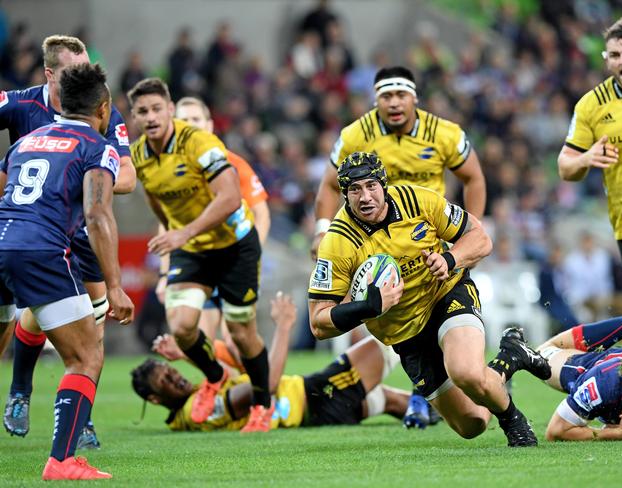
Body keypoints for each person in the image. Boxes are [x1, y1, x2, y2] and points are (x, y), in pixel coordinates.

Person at [308, 152, 550, 447]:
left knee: (466, 372)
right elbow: (318, 323)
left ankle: (515, 423)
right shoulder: (337, 242)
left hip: (445, 295)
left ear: (384, 185)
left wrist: (450, 259)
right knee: (471, 423)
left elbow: (481, 239)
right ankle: (510, 358)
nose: (365, 196)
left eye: (371, 185)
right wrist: (365, 308)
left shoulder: (418, 200)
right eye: (355, 189)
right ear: (344, 195)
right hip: (405, 334)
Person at [311, 66, 486, 428]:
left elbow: (473, 177)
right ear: (375, 100)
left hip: (428, 241)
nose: (393, 103)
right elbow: (329, 185)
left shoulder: (445, 133)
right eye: (386, 96)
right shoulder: (355, 134)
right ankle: (429, 393)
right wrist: (321, 229)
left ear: (414, 98)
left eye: (400, 95)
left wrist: (464, 239)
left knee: (444, 323)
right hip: (374, 242)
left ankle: (447, 391)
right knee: (395, 318)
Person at [0, 34, 136, 449]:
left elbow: (128, 177)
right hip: (49, 244)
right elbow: (98, 214)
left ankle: (73, 417)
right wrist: (117, 286)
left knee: (55, 320)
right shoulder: (90, 137)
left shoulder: (26, 141)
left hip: (14, 236)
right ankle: (64, 444)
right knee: (87, 351)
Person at [128, 77, 273, 432]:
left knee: (241, 334)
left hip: (235, 246)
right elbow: (154, 195)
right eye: (142, 111)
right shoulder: (138, 155)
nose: (150, 117)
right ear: (134, 116)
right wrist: (173, 231)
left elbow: (230, 198)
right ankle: (214, 375)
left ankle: (262, 406)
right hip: (193, 251)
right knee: (181, 326)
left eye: (156, 109)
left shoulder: (200, 144)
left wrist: (184, 232)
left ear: (170, 111)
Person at [131, 292, 410, 430]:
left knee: (397, 402)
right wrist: (285, 326)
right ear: (155, 399)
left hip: (317, 403)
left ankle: (428, 405)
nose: (176, 377)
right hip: (317, 397)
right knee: (389, 338)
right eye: (165, 381)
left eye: (170, 371)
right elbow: (266, 386)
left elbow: (233, 376)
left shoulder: (191, 407)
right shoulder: (199, 409)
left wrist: (187, 356)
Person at [154, 96, 270, 342]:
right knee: (196, 338)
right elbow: (166, 225)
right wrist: (164, 275)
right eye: (183, 120)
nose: (190, 124)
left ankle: (254, 380)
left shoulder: (231, 163)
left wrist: (250, 257)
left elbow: (261, 213)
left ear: (209, 125)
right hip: (197, 262)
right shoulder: (168, 169)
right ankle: (219, 381)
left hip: (233, 260)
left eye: (195, 119)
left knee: (236, 341)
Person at [557, 17, 622, 309]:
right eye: (615, 55)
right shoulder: (591, 105)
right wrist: (587, 157)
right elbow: (565, 168)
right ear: (607, 59)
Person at [533, 309, 622, 441]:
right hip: (585, 366)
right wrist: (620, 432)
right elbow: (555, 432)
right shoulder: (603, 381)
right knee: (540, 354)